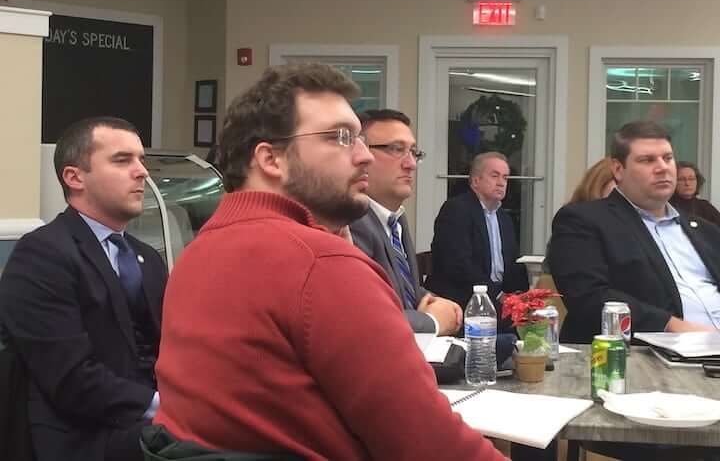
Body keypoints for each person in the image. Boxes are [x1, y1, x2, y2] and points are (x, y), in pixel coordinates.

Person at [153, 64, 506, 461]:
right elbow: (433, 446)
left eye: (359, 138)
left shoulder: (197, 252)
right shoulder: (321, 265)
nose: (364, 157)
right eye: (341, 138)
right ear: (271, 159)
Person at [0, 117, 167, 461]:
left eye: (141, 159)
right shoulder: (43, 254)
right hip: (80, 438)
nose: (142, 172)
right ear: (74, 177)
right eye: (123, 160)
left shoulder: (147, 259)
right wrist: (165, 409)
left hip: (145, 425)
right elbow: (70, 379)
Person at [549, 120, 720, 344]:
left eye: (667, 158)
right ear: (618, 169)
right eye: (647, 160)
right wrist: (673, 326)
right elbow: (589, 297)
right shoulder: (583, 220)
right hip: (649, 356)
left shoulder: (705, 230)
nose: (662, 167)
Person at [349, 109, 462, 335]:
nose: (410, 164)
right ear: (359, 154)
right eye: (396, 149)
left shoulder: (395, 219)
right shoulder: (350, 223)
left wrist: (443, 305)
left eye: (413, 152)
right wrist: (432, 322)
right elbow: (366, 317)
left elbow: (405, 292)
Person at [428, 152, 529, 314]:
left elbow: (512, 264)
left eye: (505, 177)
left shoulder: (504, 218)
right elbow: (459, 265)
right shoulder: (456, 210)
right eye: (495, 176)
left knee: (535, 316)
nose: (501, 183)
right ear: (476, 181)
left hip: (497, 299)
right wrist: (499, 296)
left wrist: (521, 295)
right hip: (460, 300)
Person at [671, 160, 720, 226]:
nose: (687, 183)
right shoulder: (666, 206)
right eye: (681, 179)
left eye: (691, 179)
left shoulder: (705, 206)